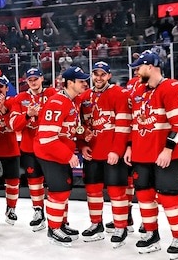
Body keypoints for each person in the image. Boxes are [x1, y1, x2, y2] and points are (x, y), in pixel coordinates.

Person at [125, 49, 178, 259]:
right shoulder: (139, 92)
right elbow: (135, 122)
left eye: (139, 67)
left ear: (150, 66)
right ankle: (151, 234)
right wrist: (130, 146)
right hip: (141, 154)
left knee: (168, 195)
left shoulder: (173, 88)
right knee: (144, 194)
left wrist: (168, 148)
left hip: (165, 154)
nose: (136, 72)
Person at [75, 61, 132, 246]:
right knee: (92, 190)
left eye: (102, 74)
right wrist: (82, 145)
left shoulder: (119, 93)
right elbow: (79, 126)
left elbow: (124, 125)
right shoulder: (84, 97)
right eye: (96, 74)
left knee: (116, 191)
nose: (98, 78)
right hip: (92, 153)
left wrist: (116, 150)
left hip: (113, 153)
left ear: (109, 76)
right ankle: (96, 224)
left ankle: (121, 227)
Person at [35, 66, 92, 245]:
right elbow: (46, 137)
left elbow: (70, 128)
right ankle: (53, 229)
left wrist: (83, 135)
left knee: (64, 189)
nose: (85, 84)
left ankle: (60, 223)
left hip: (59, 152)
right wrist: (68, 155)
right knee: (59, 190)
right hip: (50, 153)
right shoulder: (57, 102)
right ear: (70, 83)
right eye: (81, 81)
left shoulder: (73, 100)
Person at [9, 66, 58, 230]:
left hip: (50, 145)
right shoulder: (20, 98)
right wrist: (27, 115)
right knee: (34, 180)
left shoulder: (52, 94)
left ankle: (58, 217)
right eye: (30, 80)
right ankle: (38, 211)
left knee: (54, 181)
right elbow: (14, 125)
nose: (33, 82)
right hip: (30, 147)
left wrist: (40, 114)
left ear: (42, 78)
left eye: (35, 79)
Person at [0, 75, 22, 224]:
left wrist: (2, 108)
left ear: (7, 88)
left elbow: (14, 124)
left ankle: (11, 209)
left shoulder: (13, 101)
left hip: (10, 147)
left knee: (13, 181)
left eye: (0, 86)